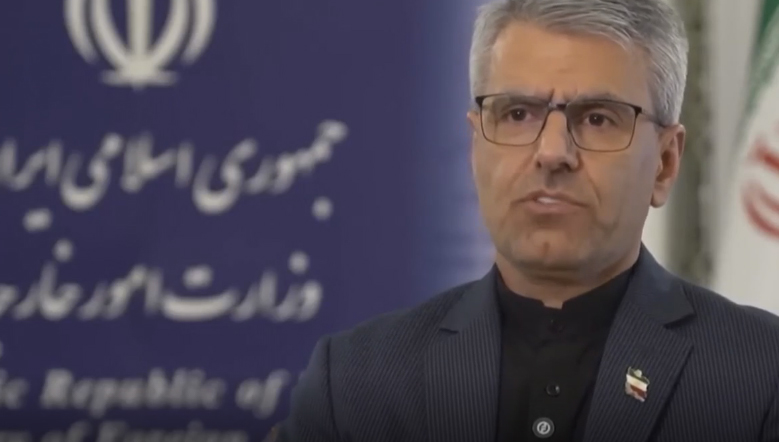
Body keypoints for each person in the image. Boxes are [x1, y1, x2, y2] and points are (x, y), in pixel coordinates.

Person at [276, 0, 779, 441]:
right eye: (518, 114)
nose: (552, 152)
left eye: (598, 118)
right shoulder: (354, 385)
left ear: (665, 163)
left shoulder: (761, 378)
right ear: (476, 147)